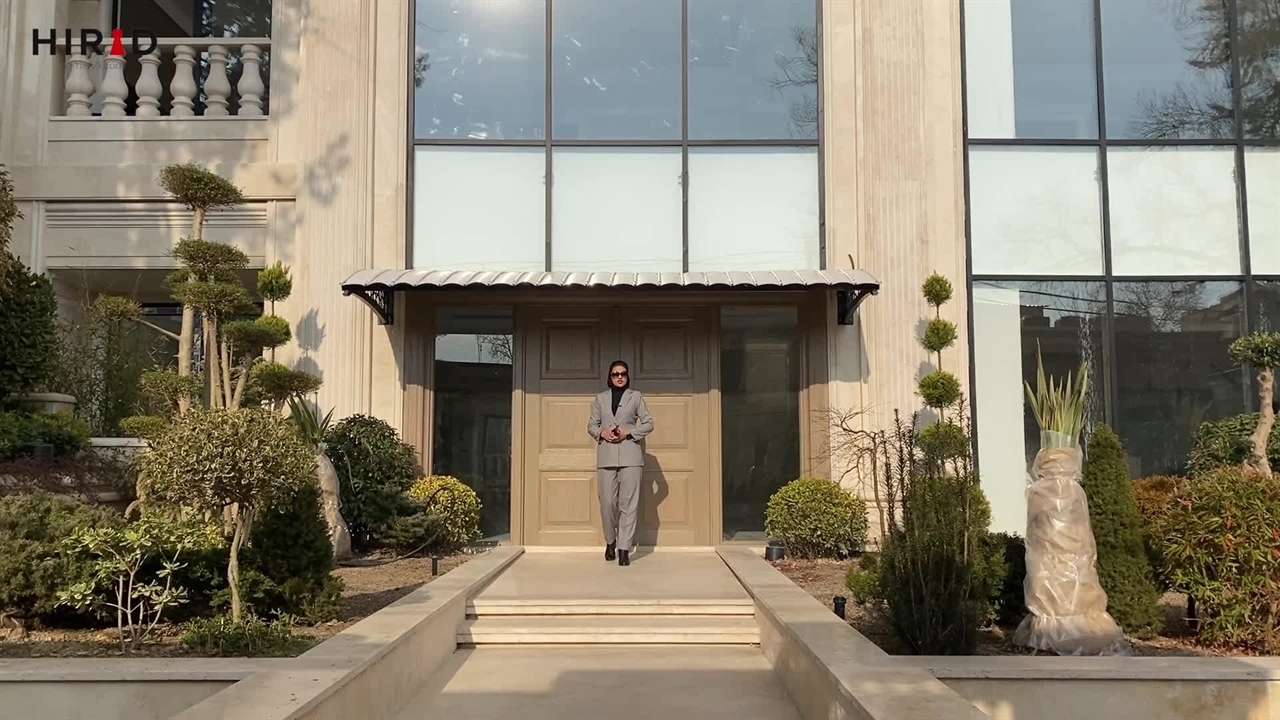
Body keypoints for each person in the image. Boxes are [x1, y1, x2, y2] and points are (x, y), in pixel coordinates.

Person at [587, 360, 654, 566]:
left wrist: (629, 433)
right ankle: (610, 541)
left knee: (629, 505)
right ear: (610, 376)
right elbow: (592, 425)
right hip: (606, 456)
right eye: (615, 374)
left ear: (627, 376)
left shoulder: (636, 396)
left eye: (623, 373)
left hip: (631, 456)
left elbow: (649, 423)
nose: (619, 377)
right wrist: (602, 433)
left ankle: (624, 549)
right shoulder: (600, 398)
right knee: (607, 504)